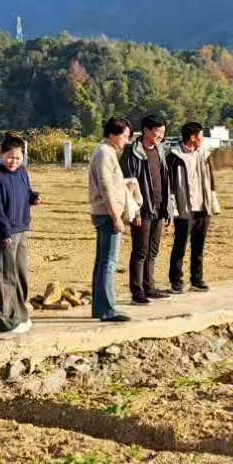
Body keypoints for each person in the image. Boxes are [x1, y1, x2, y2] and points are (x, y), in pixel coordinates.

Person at [0, 134, 39, 334]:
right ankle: (3, 322)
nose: (14, 162)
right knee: (4, 277)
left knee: (19, 275)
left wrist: (33, 197)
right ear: (2, 154)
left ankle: (20, 316)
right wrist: (4, 231)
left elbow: (25, 191)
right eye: (10, 157)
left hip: (21, 229)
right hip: (2, 233)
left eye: (18, 158)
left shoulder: (21, 171)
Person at [86, 117, 136, 322]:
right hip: (107, 214)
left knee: (103, 261)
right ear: (113, 134)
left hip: (104, 212)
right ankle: (107, 309)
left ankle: (100, 308)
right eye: (125, 136)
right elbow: (106, 187)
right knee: (109, 261)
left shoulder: (106, 151)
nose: (127, 140)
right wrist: (116, 217)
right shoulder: (105, 153)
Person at [165, 120, 219, 293]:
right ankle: (176, 281)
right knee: (180, 246)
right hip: (184, 208)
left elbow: (211, 180)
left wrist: (213, 201)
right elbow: (169, 185)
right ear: (192, 137)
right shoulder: (174, 156)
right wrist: (172, 208)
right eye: (201, 135)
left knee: (199, 246)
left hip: (203, 208)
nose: (203, 138)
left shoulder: (205, 154)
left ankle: (197, 279)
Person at [122, 115, 171, 304]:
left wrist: (168, 208)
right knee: (140, 251)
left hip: (159, 207)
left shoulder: (160, 150)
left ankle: (149, 287)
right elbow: (128, 184)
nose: (161, 136)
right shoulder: (132, 152)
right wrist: (134, 211)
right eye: (158, 132)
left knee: (152, 251)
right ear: (146, 130)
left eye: (163, 132)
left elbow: (166, 180)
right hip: (142, 209)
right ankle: (137, 292)